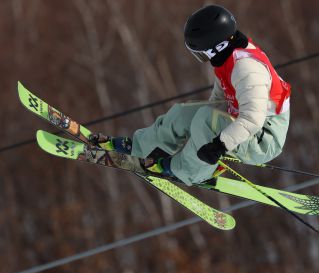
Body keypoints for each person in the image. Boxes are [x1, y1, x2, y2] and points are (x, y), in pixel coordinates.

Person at [89, 5, 291, 186]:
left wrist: (219, 145)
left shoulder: (247, 68)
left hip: (264, 139)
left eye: (202, 53)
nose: (201, 58)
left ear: (216, 47)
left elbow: (253, 119)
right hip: (244, 125)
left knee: (204, 119)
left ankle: (189, 172)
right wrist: (202, 125)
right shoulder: (227, 59)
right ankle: (141, 148)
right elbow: (219, 101)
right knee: (184, 113)